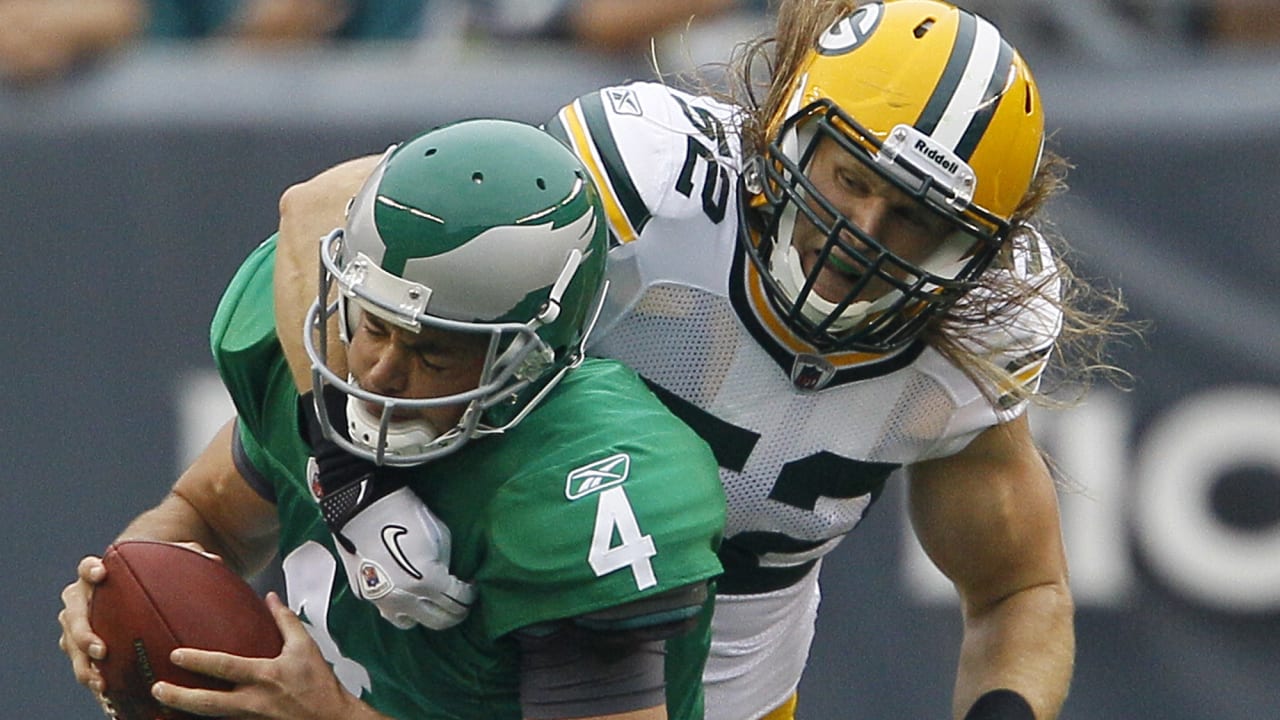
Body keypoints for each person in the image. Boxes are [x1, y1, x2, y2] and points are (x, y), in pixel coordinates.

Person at [267, 1, 1128, 718]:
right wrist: (347, 470)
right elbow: (318, 210)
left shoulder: (977, 334)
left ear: (971, 252)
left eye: (913, 218)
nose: (860, 236)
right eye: (848, 178)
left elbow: (1021, 593)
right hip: (492, 644)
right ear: (785, 129)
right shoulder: (652, 179)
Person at [58, 119, 726, 719]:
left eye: (432, 350)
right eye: (374, 325)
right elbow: (204, 514)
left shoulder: (585, 487)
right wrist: (118, 599)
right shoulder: (319, 372)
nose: (377, 373)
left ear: (528, 356)